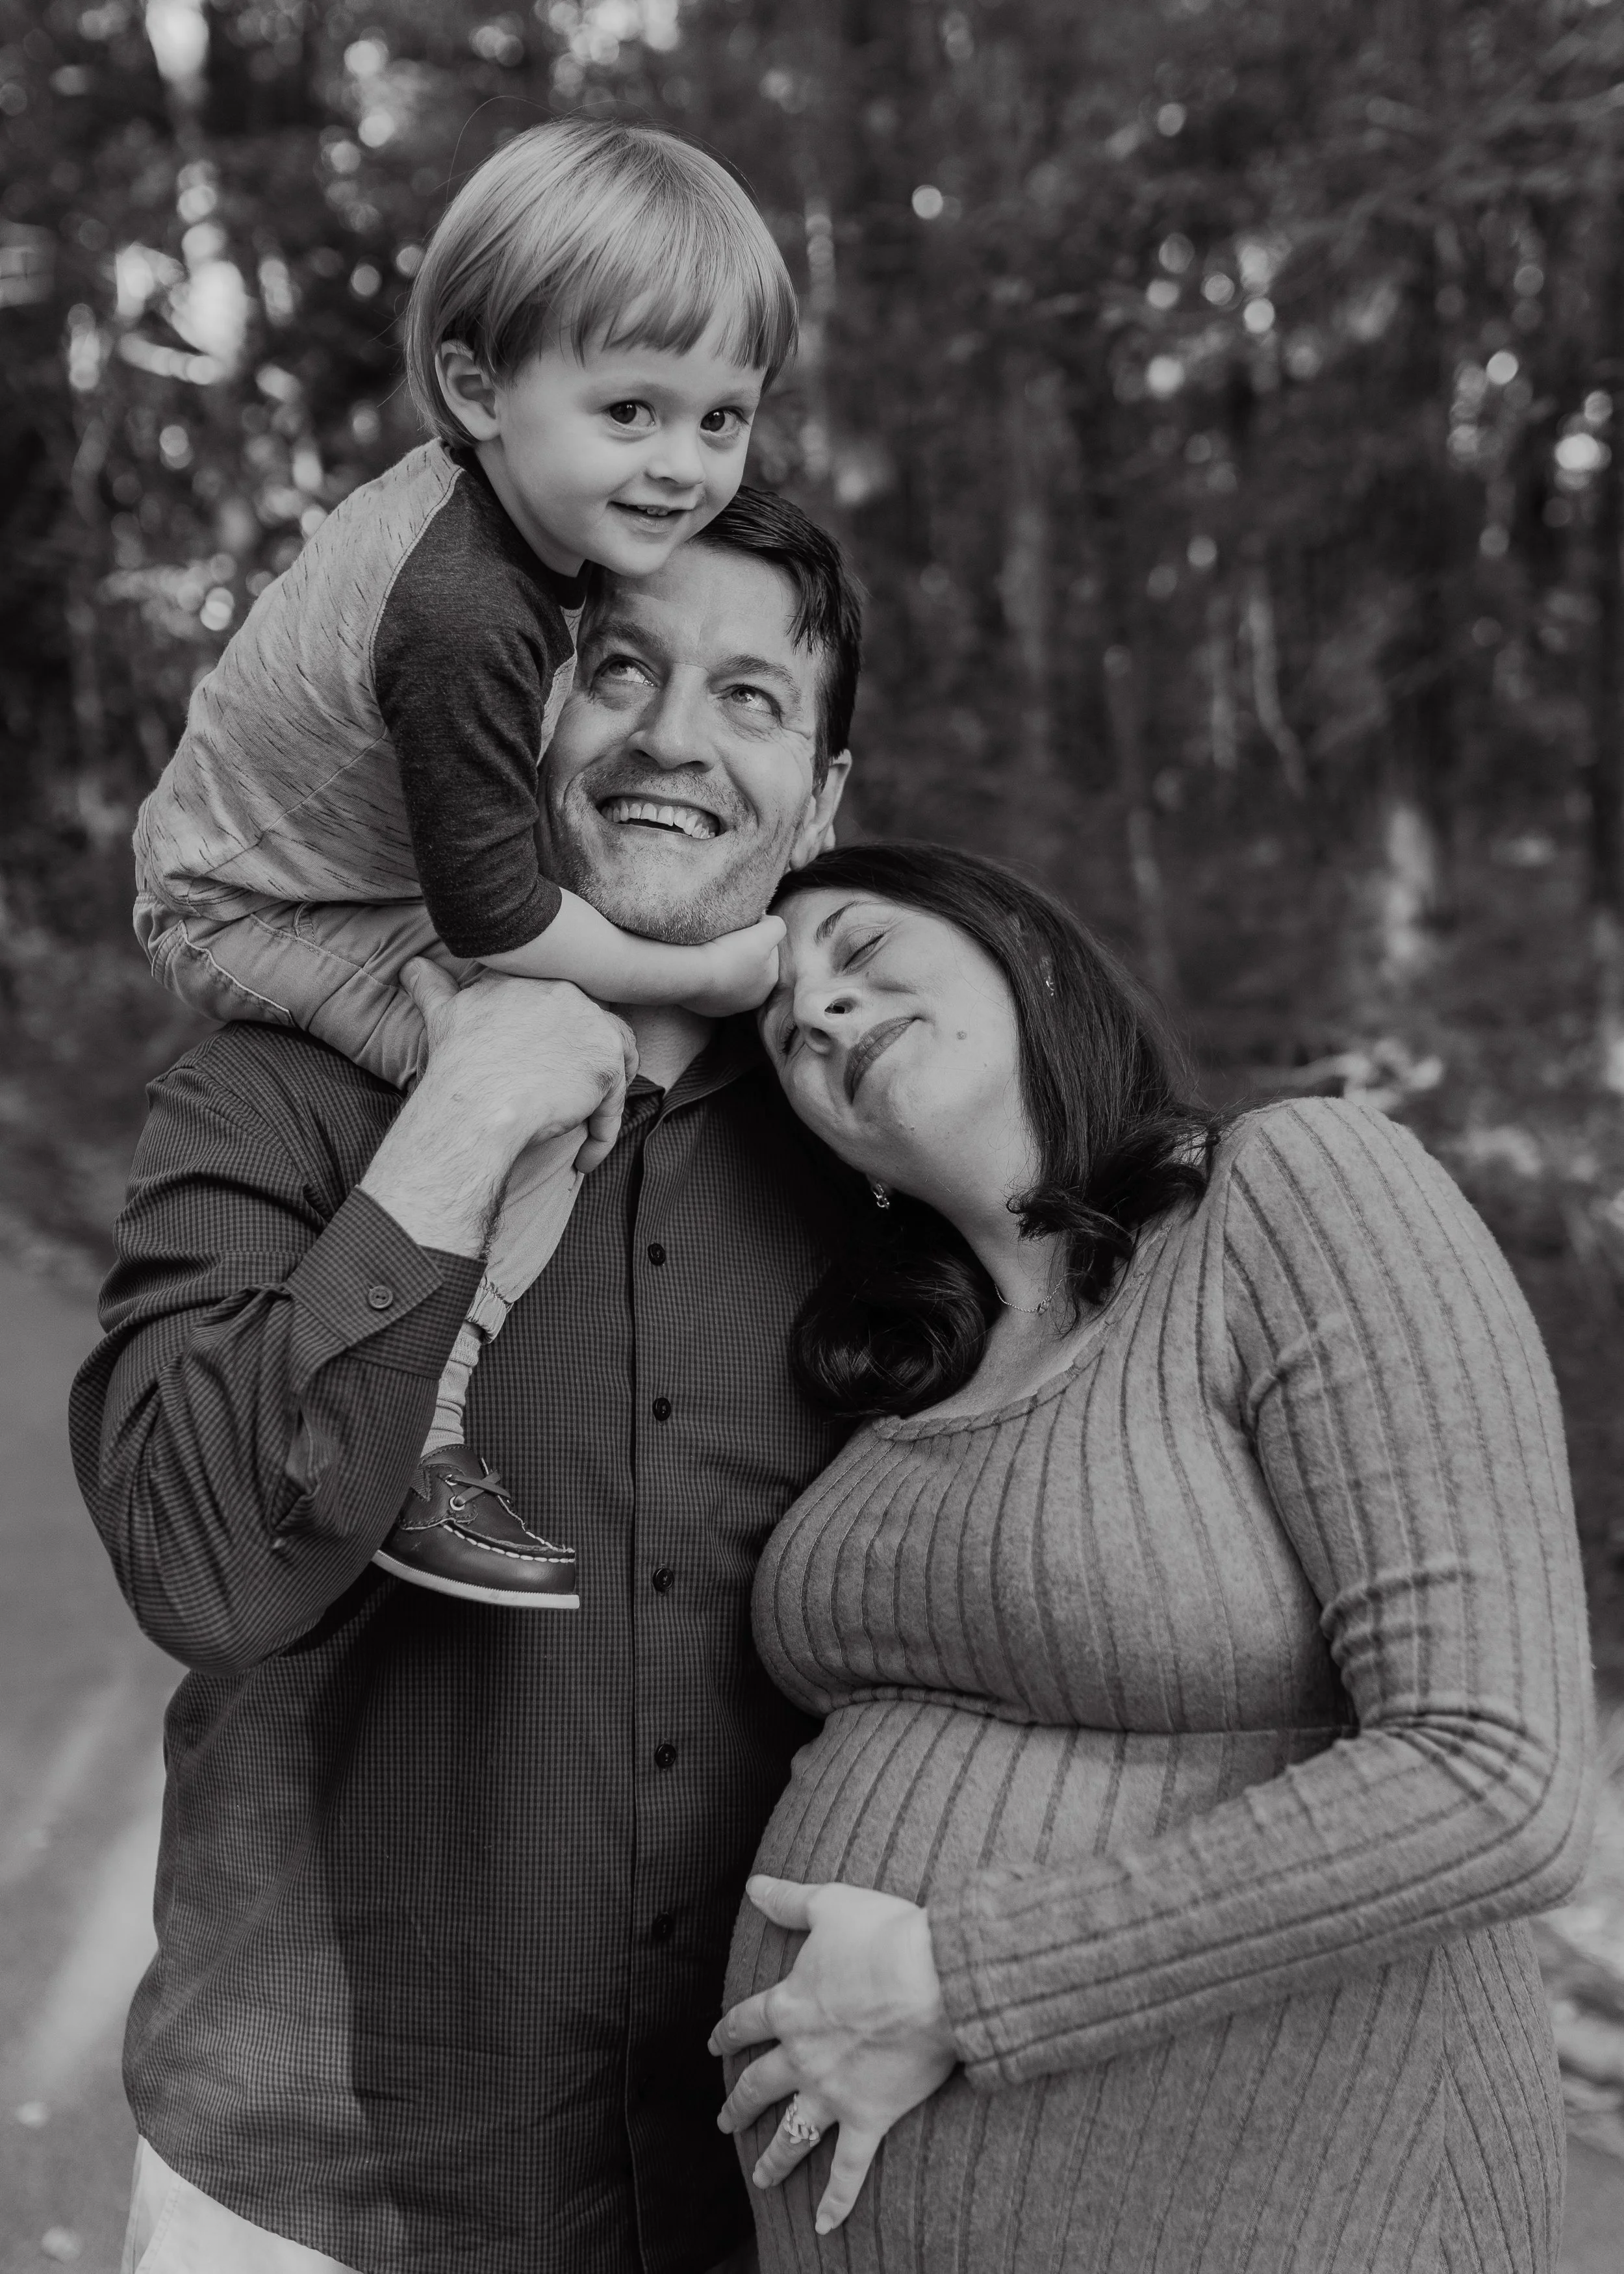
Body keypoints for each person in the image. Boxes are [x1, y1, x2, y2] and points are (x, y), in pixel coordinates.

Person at [70, 487, 861, 2274]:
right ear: (509, 721)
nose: (673, 736)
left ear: (821, 796)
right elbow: (196, 1564)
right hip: (317, 2188)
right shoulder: (273, 1087)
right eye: (617, 667)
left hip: (743, 2197)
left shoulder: (878, 1162)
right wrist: (459, 1113)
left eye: (751, 697)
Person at [709, 843, 1595, 2273]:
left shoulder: (1288, 1194)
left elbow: (1496, 1776)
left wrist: (960, 1981)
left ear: (1034, 958)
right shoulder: (901, 1382)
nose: (814, 1011)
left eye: (863, 951)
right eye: (783, 1028)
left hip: (1303, 2210)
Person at [131, 118, 797, 1605]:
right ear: (475, 386)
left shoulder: (501, 519)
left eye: (721, 417)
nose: (682, 465)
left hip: (299, 863)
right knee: (559, 1065)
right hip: (250, 908)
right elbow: (497, 913)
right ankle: (418, 1440)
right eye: (631, 408)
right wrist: (704, 966)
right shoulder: (466, 613)